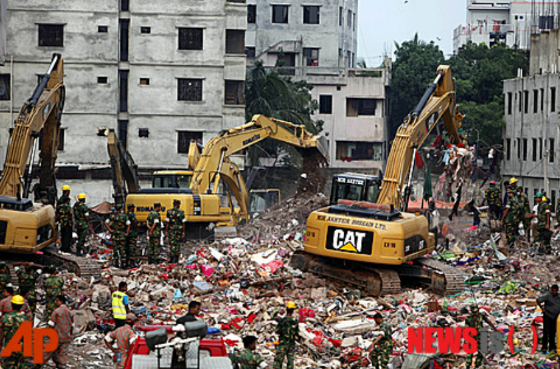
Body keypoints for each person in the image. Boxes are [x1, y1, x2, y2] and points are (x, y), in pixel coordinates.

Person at [42, 295, 74, 369]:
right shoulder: (70, 312)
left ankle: (39, 364)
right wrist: (70, 335)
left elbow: (51, 324)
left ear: (60, 301)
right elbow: (72, 325)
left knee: (48, 352)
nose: (55, 302)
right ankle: (61, 366)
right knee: (63, 354)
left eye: (56, 301)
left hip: (56, 336)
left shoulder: (56, 311)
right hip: (66, 336)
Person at [465, 304, 498, 368]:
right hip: (472, 337)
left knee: (481, 351)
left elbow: (488, 321)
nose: (475, 313)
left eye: (476, 311)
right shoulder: (468, 318)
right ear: (471, 311)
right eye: (473, 312)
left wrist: (494, 328)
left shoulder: (481, 315)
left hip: (480, 336)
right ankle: (467, 366)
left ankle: (477, 365)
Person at [0, 295, 28, 369]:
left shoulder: (5, 317)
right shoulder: (25, 319)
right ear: (21, 306)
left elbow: (1, 333)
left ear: (11, 305)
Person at [273, 301, 299, 369]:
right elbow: (297, 334)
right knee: (290, 362)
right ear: (293, 311)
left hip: (283, 343)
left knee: (278, 361)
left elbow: (277, 331)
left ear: (286, 309)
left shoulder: (282, 320)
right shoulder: (295, 321)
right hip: (291, 344)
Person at [106, 204, 130, 268]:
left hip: (115, 235)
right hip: (122, 235)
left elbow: (106, 223)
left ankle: (116, 263)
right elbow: (128, 224)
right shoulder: (124, 216)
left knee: (115, 249)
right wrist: (127, 233)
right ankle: (123, 263)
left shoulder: (112, 216)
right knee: (122, 249)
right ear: (121, 208)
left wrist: (110, 230)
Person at [537, 284, 560, 353]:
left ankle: (552, 347)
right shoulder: (548, 295)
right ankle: (544, 347)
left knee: (552, 333)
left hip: (555, 317)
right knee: (546, 332)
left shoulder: (558, 297)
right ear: (551, 290)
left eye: (555, 291)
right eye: (553, 290)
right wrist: (542, 308)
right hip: (548, 316)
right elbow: (538, 300)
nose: (554, 292)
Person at [166, 199, 186, 263]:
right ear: (178, 204)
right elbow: (183, 223)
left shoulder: (169, 212)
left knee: (172, 244)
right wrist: (183, 231)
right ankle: (176, 259)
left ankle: (172, 259)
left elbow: (167, 222)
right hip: (179, 230)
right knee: (178, 244)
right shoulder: (182, 212)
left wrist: (166, 231)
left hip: (171, 230)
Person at [126, 204, 139, 268]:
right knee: (132, 248)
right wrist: (136, 229)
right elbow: (135, 222)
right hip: (132, 233)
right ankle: (132, 262)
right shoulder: (132, 214)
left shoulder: (126, 214)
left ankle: (127, 262)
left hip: (127, 233)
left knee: (127, 247)